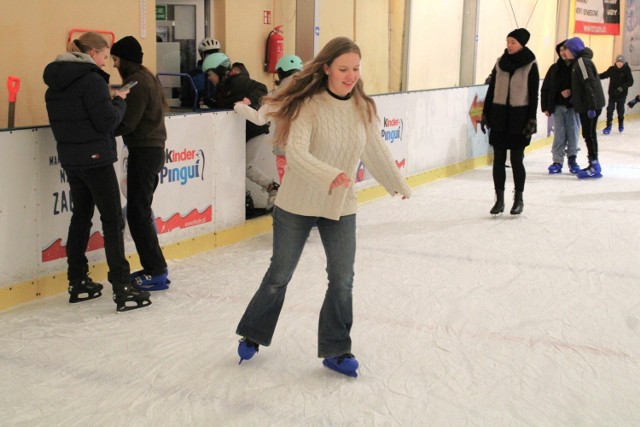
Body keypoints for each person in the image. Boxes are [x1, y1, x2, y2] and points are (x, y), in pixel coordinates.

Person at [234, 37, 412, 378]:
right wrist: (329, 175)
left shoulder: (363, 108)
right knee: (279, 275)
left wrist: (396, 183)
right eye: (343, 69)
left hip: (341, 205)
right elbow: (297, 154)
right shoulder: (309, 106)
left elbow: (375, 149)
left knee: (343, 279)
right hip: (297, 203)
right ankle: (253, 333)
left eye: (356, 69)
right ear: (327, 67)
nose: (350, 76)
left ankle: (336, 348)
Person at [43, 32, 151, 312]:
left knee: (81, 216)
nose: (106, 62)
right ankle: (122, 285)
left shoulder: (55, 83)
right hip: (96, 158)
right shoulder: (90, 80)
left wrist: (109, 99)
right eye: (105, 56)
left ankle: (77, 280)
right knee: (113, 219)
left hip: (72, 159)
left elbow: (81, 115)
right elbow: (106, 122)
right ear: (92, 53)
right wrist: (120, 101)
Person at [111, 35, 171, 291]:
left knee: (138, 213)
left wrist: (104, 121)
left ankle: (156, 270)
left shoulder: (138, 84)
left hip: (145, 152)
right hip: (149, 151)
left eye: (115, 59)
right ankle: (154, 268)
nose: (113, 65)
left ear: (125, 60)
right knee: (139, 211)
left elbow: (127, 122)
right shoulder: (146, 79)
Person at [233, 54, 305, 209]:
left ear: (281, 73)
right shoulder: (312, 91)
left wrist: (239, 106)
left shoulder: (278, 95)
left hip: (286, 153)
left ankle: (290, 223)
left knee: (289, 194)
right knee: (305, 190)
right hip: (309, 151)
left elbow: (259, 118)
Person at [481, 28, 539, 216]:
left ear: (522, 44)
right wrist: (486, 113)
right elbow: (491, 90)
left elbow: (533, 94)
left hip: (519, 118)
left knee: (516, 159)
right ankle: (499, 200)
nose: (509, 45)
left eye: (513, 42)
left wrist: (531, 119)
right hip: (499, 117)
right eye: (508, 41)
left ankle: (518, 199)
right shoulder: (500, 63)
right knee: (498, 160)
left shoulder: (530, 64)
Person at [563, 37, 606, 179]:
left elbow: (589, 83)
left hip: (590, 106)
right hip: (587, 105)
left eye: (567, 49)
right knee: (588, 134)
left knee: (589, 135)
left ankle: (594, 165)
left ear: (574, 49)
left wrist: (591, 106)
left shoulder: (582, 62)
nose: (564, 53)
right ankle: (593, 163)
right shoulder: (578, 62)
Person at [540, 41, 581, 174]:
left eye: (566, 49)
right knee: (559, 134)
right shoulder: (555, 68)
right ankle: (557, 161)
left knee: (573, 133)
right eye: (561, 50)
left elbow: (583, 87)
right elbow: (546, 88)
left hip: (573, 107)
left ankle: (572, 159)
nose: (563, 52)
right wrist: (545, 106)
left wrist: (571, 93)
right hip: (558, 106)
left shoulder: (577, 66)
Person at [181, 37, 221, 109]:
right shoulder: (192, 75)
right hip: (198, 114)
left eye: (215, 55)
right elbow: (185, 100)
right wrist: (198, 103)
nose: (212, 58)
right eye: (209, 55)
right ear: (202, 55)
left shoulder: (222, 73)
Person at [599, 54, 634, 134]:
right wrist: (596, 76)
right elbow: (604, 75)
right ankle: (608, 126)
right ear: (615, 62)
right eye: (618, 61)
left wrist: (621, 88)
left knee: (620, 110)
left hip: (622, 95)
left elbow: (630, 82)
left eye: (621, 62)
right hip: (612, 94)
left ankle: (620, 124)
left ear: (624, 63)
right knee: (610, 110)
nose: (619, 63)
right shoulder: (612, 69)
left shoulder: (627, 70)